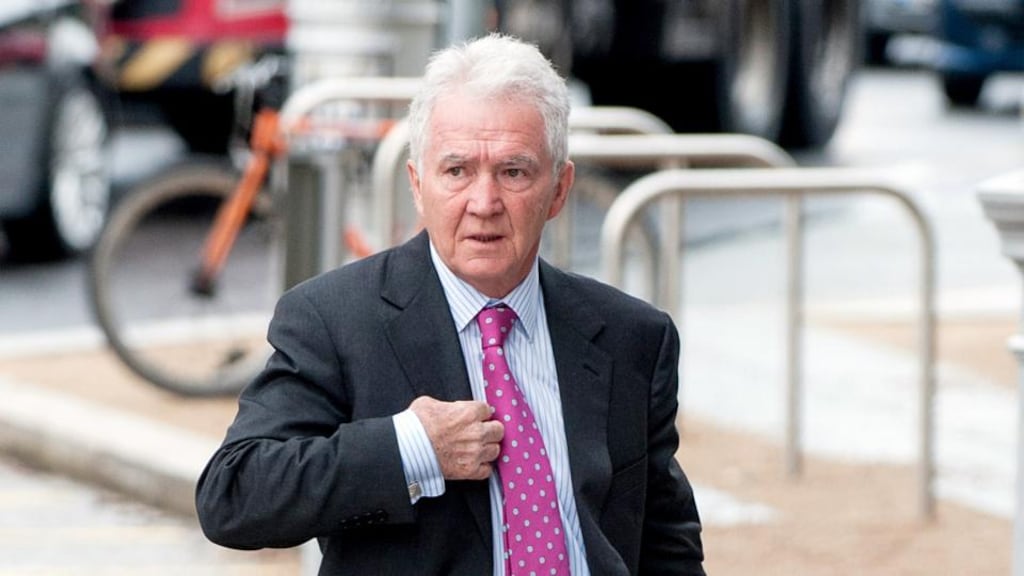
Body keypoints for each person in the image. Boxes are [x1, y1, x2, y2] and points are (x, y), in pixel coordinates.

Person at [195, 33, 705, 575]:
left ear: (559, 189)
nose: (483, 203)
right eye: (457, 171)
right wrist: (413, 448)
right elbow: (234, 494)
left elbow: (665, 539)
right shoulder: (336, 320)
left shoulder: (632, 336)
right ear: (418, 184)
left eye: (514, 172)